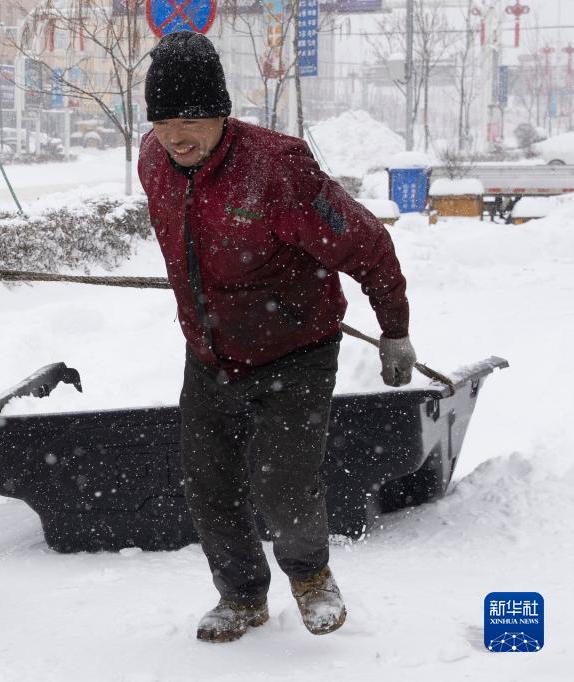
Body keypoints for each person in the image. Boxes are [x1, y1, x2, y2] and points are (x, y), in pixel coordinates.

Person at [137, 32, 417, 643]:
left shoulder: (278, 169)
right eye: (162, 120)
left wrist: (394, 329)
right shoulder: (153, 159)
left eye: (190, 120)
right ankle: (241, 597)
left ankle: (311, 578)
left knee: (283, 483)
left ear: (222, 113)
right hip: (209, 350)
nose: (175, 136)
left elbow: (368, 244)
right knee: (208, 483)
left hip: (296, 349)